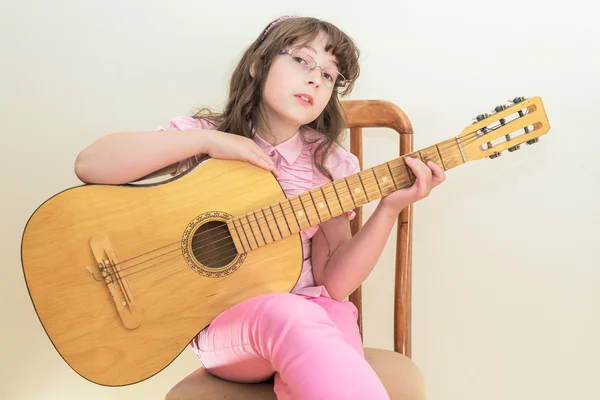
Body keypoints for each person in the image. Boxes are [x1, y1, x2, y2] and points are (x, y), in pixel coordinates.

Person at [74, 15, 445, 400]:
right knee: (293, 315)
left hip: (313, 316)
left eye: (330, 75)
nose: (316, 79)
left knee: (328, 317)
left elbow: (333, 284)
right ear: (258, 64)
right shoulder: (202, 137)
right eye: (302, 60)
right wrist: (206, 142)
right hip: (225, 328)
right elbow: (91, 164)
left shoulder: (329, 163)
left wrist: (387, 210)